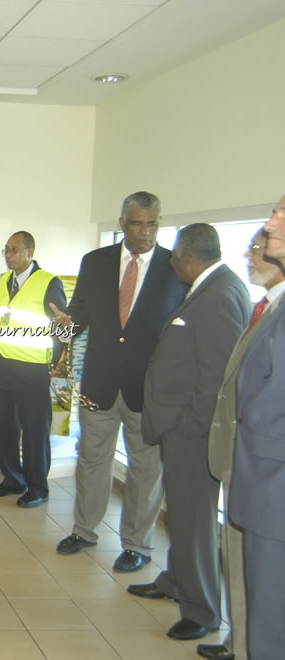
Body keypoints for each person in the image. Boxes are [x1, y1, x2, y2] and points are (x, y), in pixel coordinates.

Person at [50, 191, 188, 572]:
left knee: (146, 467)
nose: (145, 232)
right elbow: (80, 313)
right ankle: (84, 530)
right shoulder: (95, 262)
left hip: (148, 389)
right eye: (138, 223)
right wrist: (67, 324)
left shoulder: (174, 267)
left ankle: (137, 545)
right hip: (100, 381)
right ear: (123, 223)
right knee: (92, 459)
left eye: (153, 224)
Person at [127, 224, 250, 642]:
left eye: (174, 254)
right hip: (180, 431)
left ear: (188, 257)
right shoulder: (207, 287)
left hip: (192, 436)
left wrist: (190, 428)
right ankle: (175, 582)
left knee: (194, 523)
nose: (171, 261)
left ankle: (202, 612)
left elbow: (218, 374)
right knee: (180, 516)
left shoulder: (219, 294)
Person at [200, 229, 285, 660]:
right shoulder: (264, 308)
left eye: (258, 248)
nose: (251, 256)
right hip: (242, 460)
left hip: (264, 469)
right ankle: (239, 640)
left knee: (262, 577)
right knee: (239, 564)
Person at [229, 194, 285, 660]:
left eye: (282, 213)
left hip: (273, 486)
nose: (270, 222)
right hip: (259, 481)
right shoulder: (269, 308)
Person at [0, 231, 66, 508]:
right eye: (6, 250)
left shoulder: (48, 282)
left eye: (15, 250)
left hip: (33, 371)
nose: (9, 255)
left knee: (34, 432)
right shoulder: (4, 280)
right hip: (3, 366)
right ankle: (12, 479)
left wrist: (52, 366)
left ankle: (37, 487)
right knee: (5, 428)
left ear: (30, 252)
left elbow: (61, 329)